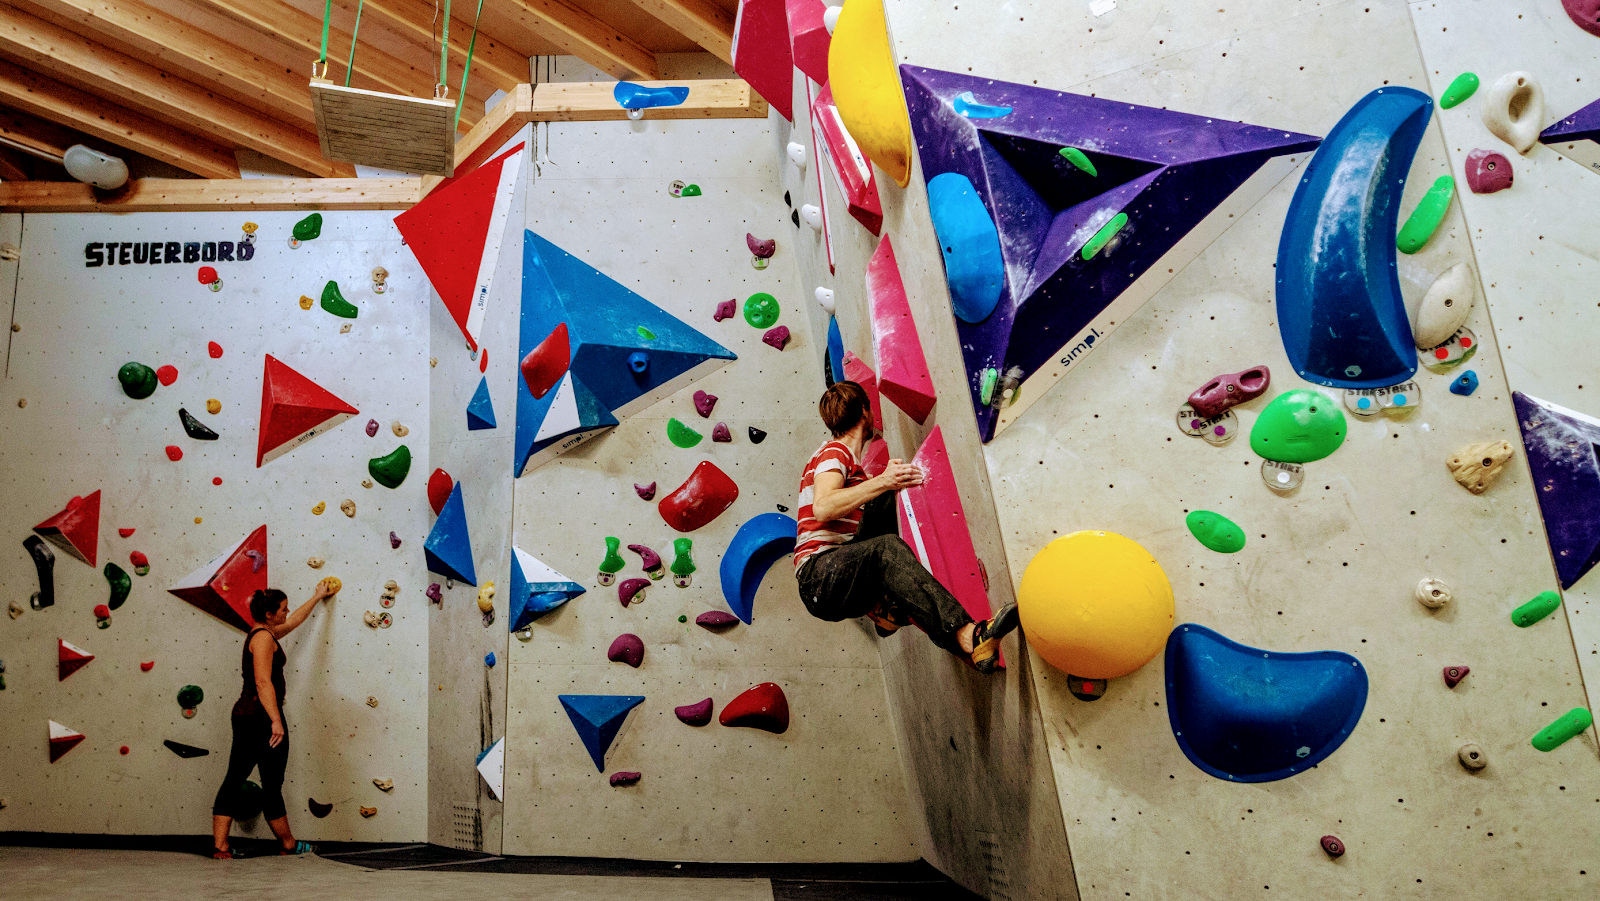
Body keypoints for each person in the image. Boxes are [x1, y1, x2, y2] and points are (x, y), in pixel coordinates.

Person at [794, 381, 1020, 672]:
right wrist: (883, 480)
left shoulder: (850, 465)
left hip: (838, 567)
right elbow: (823, 508)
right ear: (866, 411)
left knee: (887, 499)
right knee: (885, 545)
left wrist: (885, 484)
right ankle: (968, 636)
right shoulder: (834, 453)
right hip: (819, 577)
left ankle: (888, 607)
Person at [212, 580, 336, 859]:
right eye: (282, 608)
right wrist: (276, 721)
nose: (286, 611)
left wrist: (317, 596)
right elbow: (262, 681)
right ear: (269, 614)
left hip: (249, 717)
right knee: (267, 783)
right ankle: (287, 844)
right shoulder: (264, 639)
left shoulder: (262, 632)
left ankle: (223, 847)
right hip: (260, 719)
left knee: (238, 780)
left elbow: (293, 622)